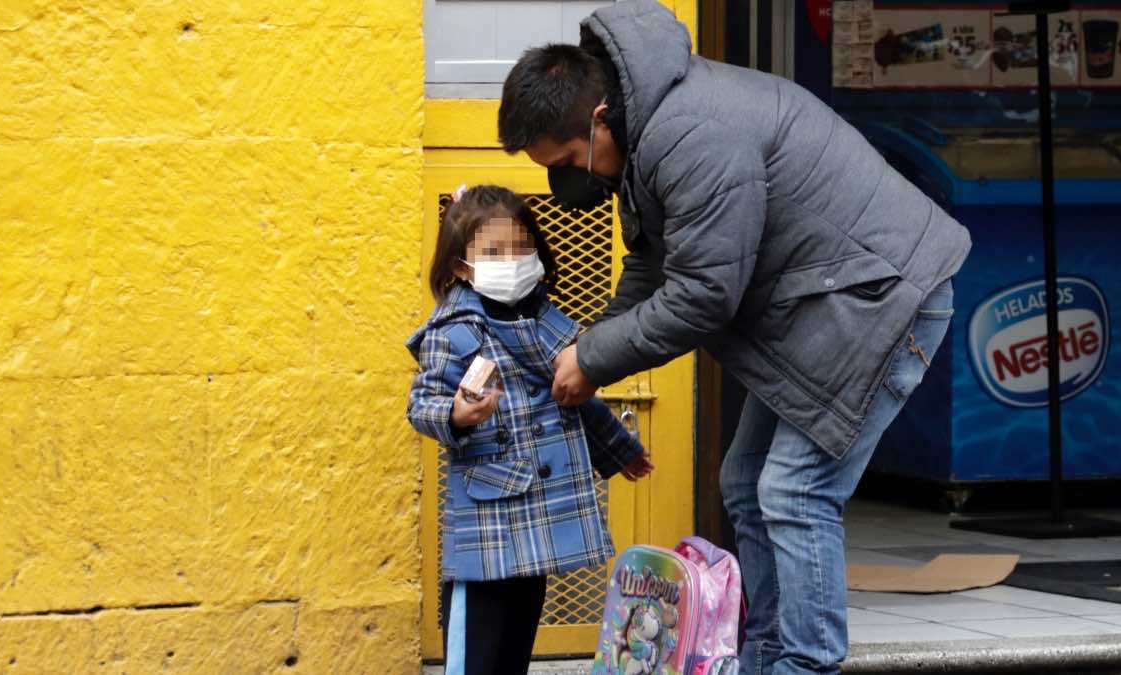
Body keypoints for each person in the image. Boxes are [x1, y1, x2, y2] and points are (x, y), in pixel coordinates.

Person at [496, 2, 971, 673]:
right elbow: (655, 265)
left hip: (879, 296)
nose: (574, 179)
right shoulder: (648, 130)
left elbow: (702, 295)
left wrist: (594, 360)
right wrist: (589, 343)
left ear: (599, 116)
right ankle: (765, 655)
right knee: (746, 481)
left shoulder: (693, 132)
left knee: (793, 490)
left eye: (571, 159)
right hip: (822, 305)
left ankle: (806, 664)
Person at [406, 184, 655, 675]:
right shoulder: (450, 330)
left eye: (522, 248)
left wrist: (619, 451)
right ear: (462, 266)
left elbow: (577, 398)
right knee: (473, 654)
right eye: (495, 252)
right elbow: (421, 404)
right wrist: (456, 413)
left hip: (540, 516)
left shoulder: (546, 320)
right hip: (487, 523)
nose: (513, 260)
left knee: (516, 645)